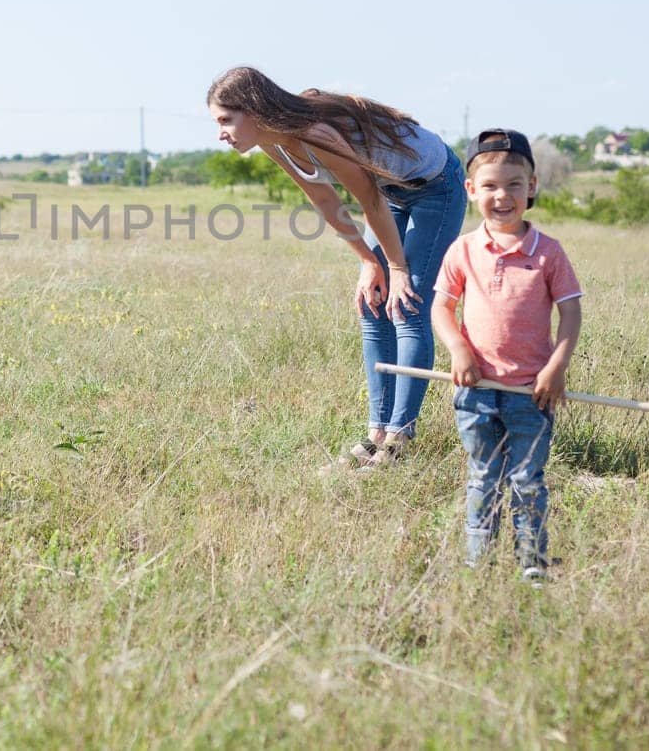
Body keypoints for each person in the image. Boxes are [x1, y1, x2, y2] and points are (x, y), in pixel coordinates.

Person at [207, 66, 467, 467]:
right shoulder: (273, 141)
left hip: (435, 186)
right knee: (372, 303)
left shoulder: (316, 134)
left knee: (407, 302)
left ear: (254, 111)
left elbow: (369, 202)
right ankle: (376, 434)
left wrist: (396, 268)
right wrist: (368, 262)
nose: (221, 132)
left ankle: (398, 441)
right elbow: (324, 199)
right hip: (389, 193)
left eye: (226, 120)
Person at [432, 129, 583, 580]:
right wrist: (458, 349)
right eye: (491, 186)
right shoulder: (462, 250)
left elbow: (571, 313)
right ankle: (477, 562)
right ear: (471, 190)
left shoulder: (549, 253)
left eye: (514, 184)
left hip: (529, 395)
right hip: (475, 390)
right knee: (483, 476)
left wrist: (557, 366)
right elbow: (442, 307)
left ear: (532, 186)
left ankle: (531, 561)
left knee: (526, 480)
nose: (503, 196)